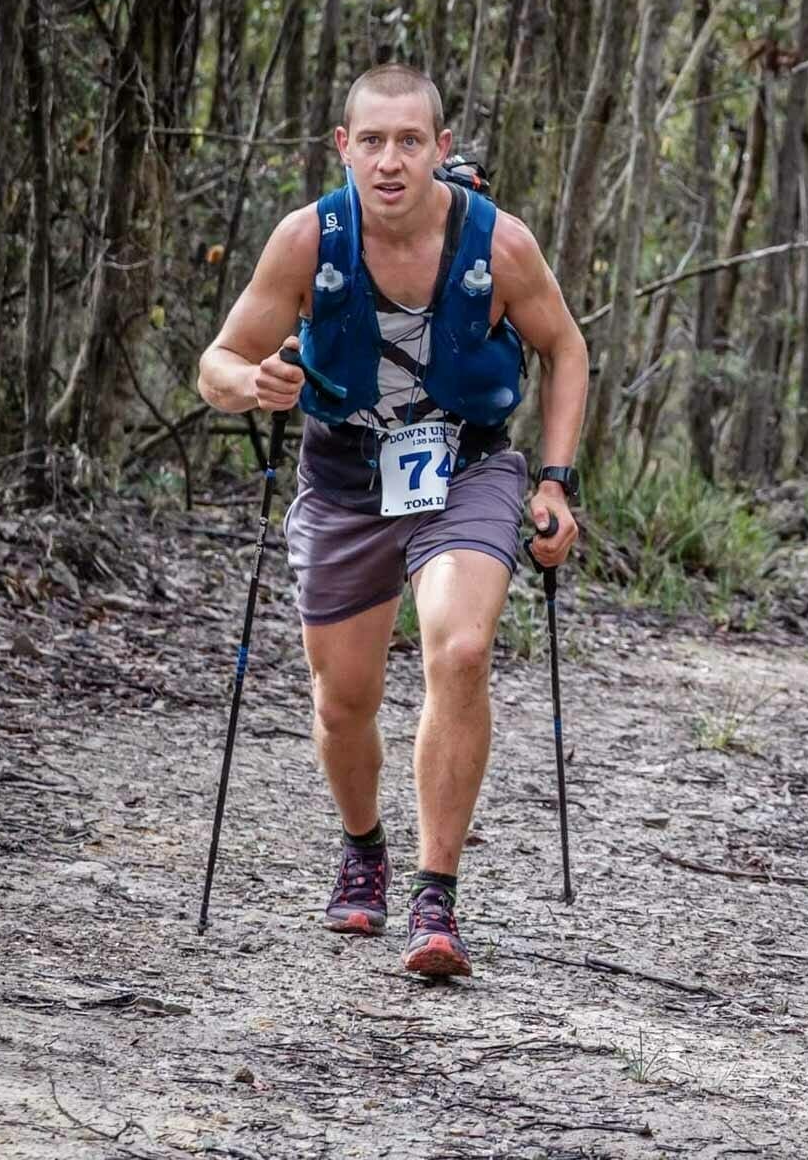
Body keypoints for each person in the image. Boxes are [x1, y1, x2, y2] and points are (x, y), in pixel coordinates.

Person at [197, 64, 588, 978]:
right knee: (345, 701)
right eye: (371, 141)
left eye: (410, 141)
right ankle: (363, 845)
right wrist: (251, 384)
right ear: (344, 149)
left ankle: (434, 895)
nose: (390, 160)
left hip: (468, 467)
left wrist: (558, 481)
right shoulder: (307, 241)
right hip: (344, 479)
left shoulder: (500, 245)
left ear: (441, 152)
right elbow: (217, 360)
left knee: (459, 649)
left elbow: (565, 348)